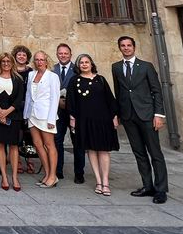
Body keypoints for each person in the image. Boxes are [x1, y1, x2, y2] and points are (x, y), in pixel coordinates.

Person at [112, 36, 169, 204]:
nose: (126, 48)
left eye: (129, 45)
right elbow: (119, 91)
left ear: (134, 47)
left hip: (147, 115)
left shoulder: (146, 66)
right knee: (139, 153)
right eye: (123, 45)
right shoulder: (116, 67)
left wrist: (159, 115)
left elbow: (156, 91)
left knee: (155, 152)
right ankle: (147, 185)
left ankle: (161, 189)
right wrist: (118, 114)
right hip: (129, 116)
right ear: (119, 48)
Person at [67, 53, 119, 197]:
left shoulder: (100, 79)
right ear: (78, 66)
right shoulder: (74, 81)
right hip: (85, 121)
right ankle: (98, 181)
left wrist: (114, 116)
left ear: (91, 64)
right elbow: (71, 101)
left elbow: (110, 99)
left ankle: (105, 182)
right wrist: (72, 118)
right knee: (91, 150)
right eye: (81, 62)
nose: (84, 64)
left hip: (103, 120)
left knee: (103, 150)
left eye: (86, 62)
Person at [0, 52, 25, 191]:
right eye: (3, 61)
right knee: (0, 144)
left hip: (13, 116)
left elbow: (20, 98)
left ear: (12, 63)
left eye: (8, 61)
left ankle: (14, 177)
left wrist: (7, 112)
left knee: (14, 146)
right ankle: (4, 176)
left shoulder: (18, 79)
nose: (6, 64)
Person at [24, 50, 61, 188]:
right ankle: (47, 173)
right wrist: (26, 114)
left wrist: (52, 119)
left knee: (49, 145)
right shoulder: (31, 74)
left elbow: (55, 98)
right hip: (32, 114)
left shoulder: (52, 77)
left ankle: (53, 176)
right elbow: (28, 95)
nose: (39, 62)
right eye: (37, 59)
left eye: (42, 59)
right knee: (37, 144)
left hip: (46, 115)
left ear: (46, 61)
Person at [54, 43, 86, 183]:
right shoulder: (52, 69)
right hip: (57, 111)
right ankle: (58, 170)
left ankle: (79, 173)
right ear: (57, 54)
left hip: (75, 111)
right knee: (57, 141)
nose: (63, 55)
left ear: (70, 55)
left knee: (78, 142)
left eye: (66, 53)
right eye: (60, 53)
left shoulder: (78, 69)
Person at [11, 44, 35, 174]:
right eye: (19, 54)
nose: (21, 56)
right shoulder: (11, 71)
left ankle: (30, 159)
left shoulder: (32, 72)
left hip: (28, 105)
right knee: (17, 134)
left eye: (24, 55)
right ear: (15, 56)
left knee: (29, 134)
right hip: (15, 106)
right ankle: (18, 160)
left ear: (27, 57)